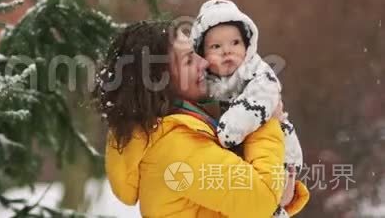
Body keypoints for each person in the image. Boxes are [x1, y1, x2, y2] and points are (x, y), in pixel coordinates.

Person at [97, 21, 309, 217]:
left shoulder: (182, 130)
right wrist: (265, 119)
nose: (203, 62)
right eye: (189, 60)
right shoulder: (174, 148)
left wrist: (279, 192)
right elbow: (262, 198)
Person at [191, 0, 304, 217]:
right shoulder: (202, 83)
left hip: (276, 148)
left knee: (274, 198)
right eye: (216, 47)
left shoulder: (256, 71)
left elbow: (263, 97)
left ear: (248, 44)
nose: (227, 52)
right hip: (236, 167)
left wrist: (231, 128)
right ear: (201, 55)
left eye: (235, 43)